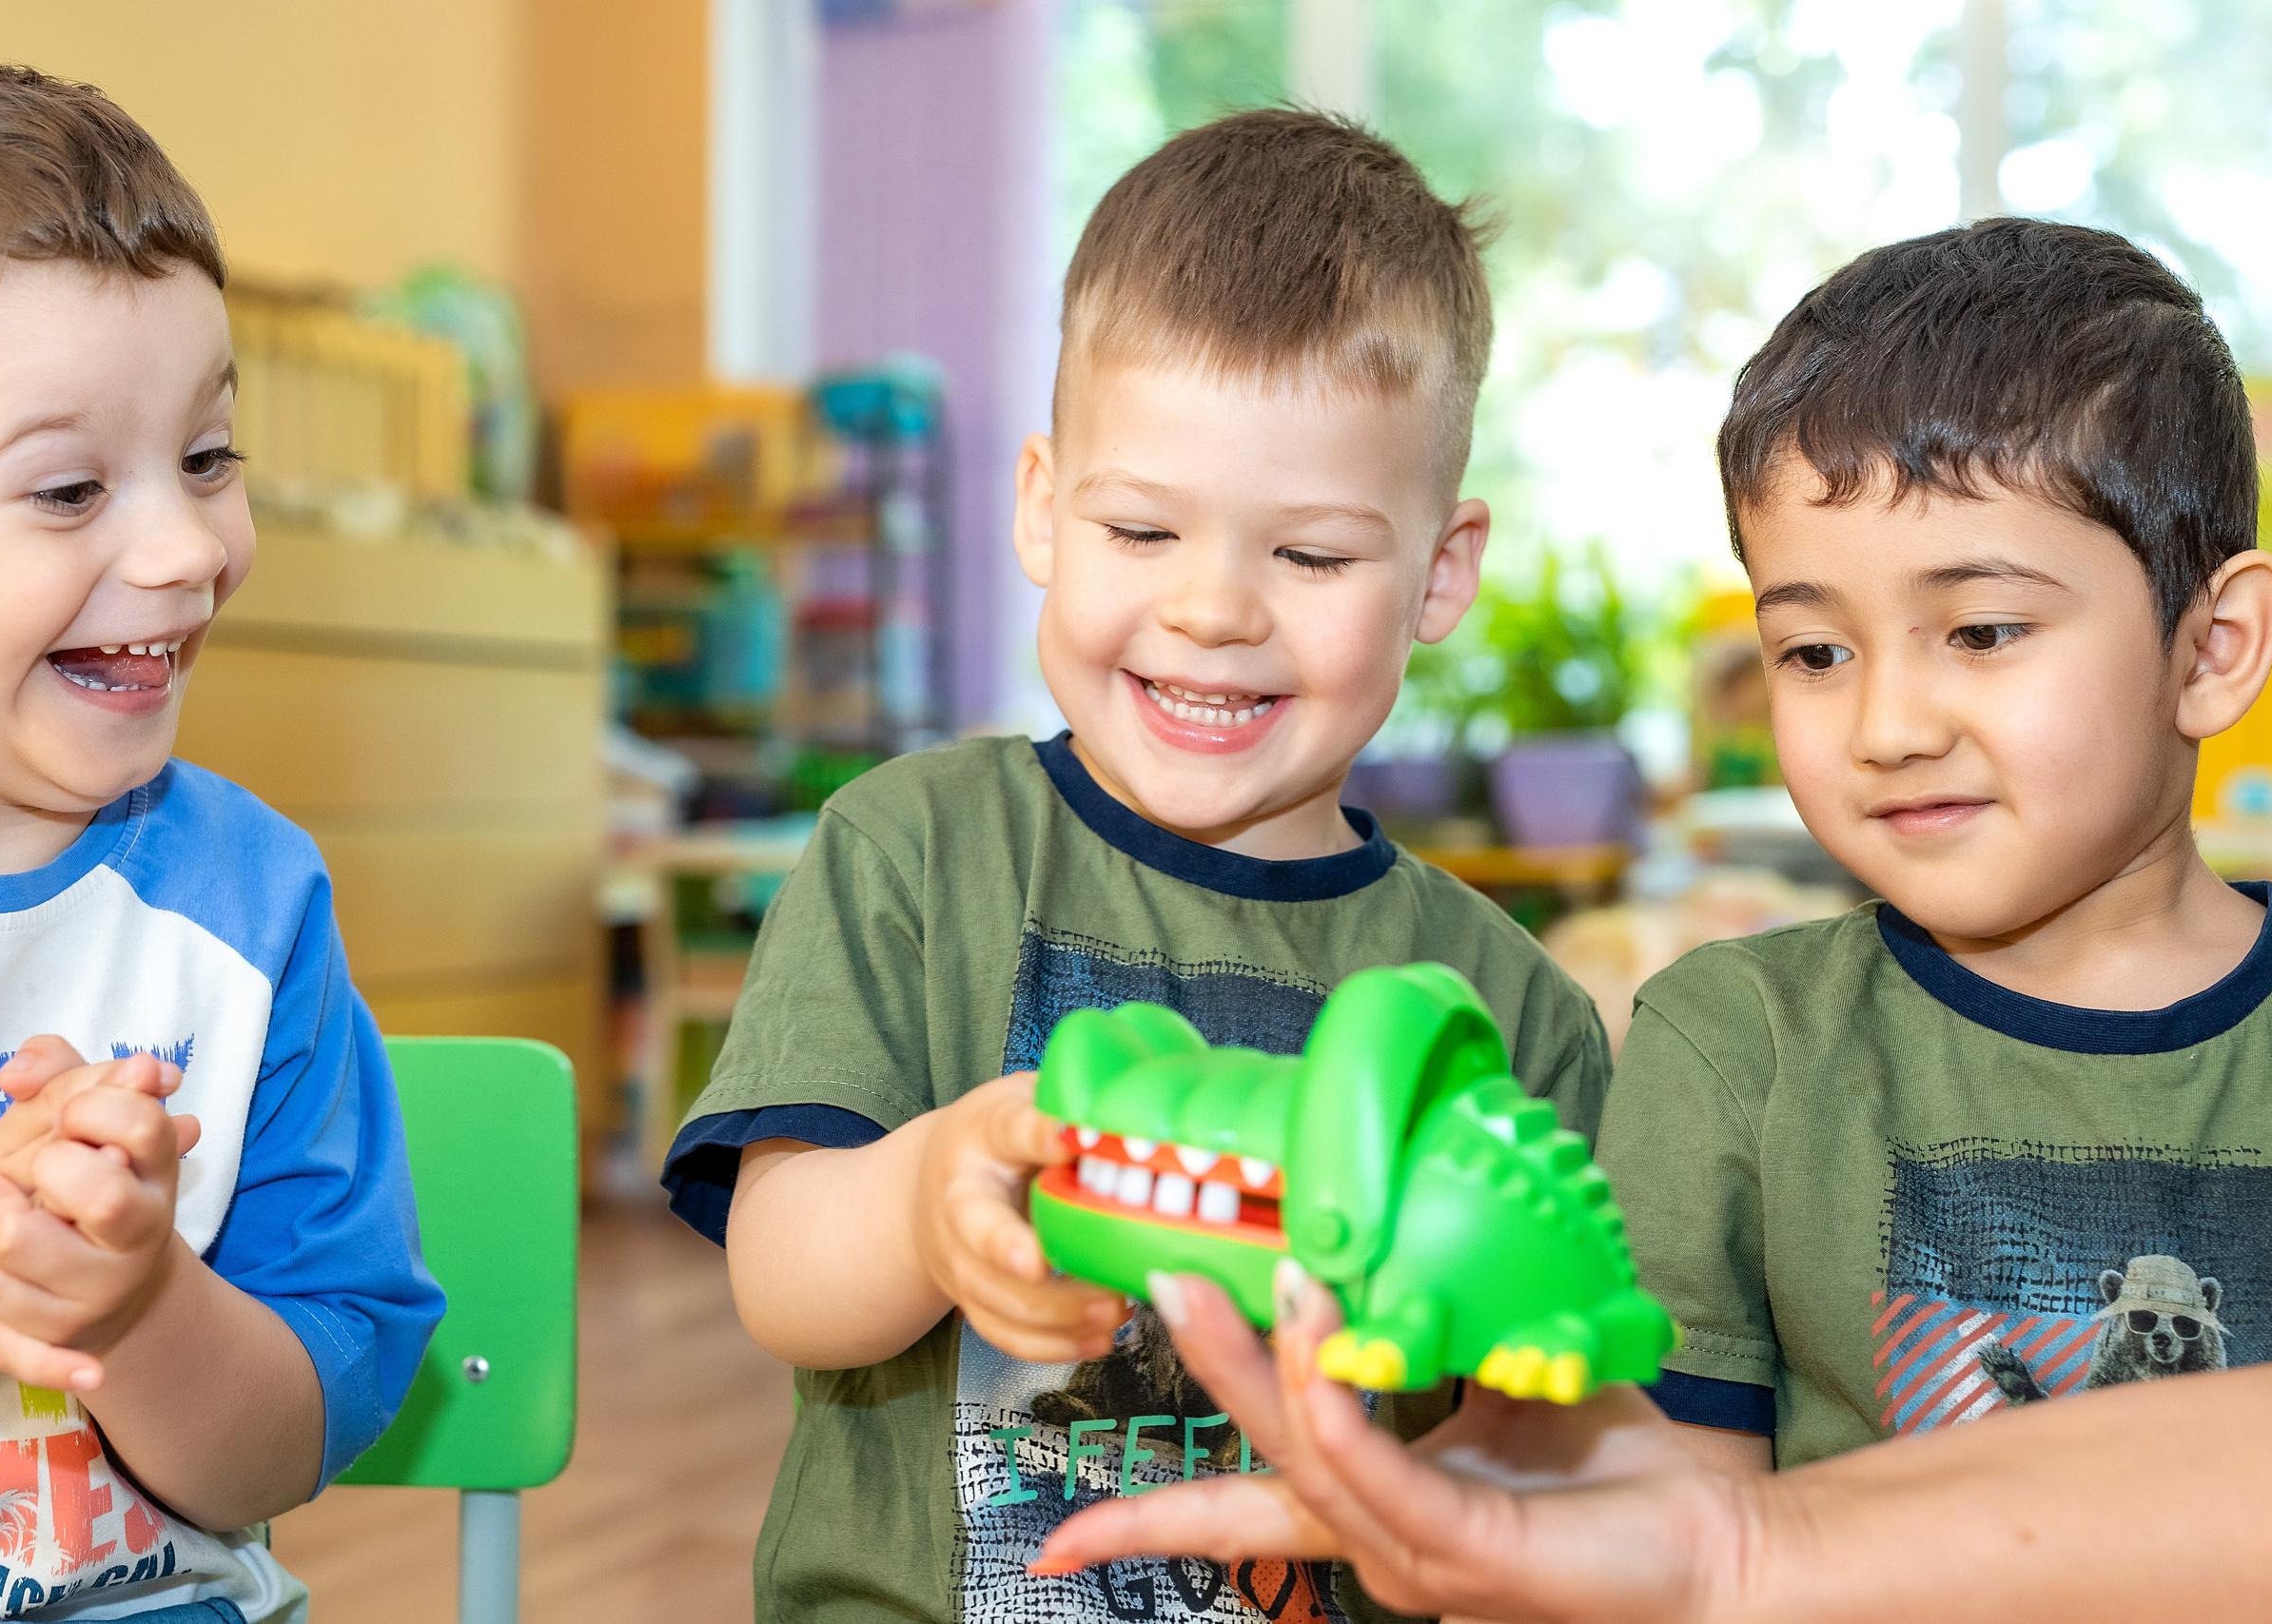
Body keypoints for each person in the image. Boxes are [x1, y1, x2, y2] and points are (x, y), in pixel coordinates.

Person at [1035, 217, 2272, 1617]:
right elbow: (1660, 1523)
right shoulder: (1731, 1043)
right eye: (1813, 651)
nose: (1885, 725)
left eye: (1984, 631)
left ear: (2214, 646)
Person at [660, 109, 1613, 1624]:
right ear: (1045, 506)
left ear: (1440, 572)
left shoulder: (1511, 1012)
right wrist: (926, 1203)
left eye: (1307, 557)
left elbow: (1557, 1437)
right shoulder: (914, 852)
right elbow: (780, 1274)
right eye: (1143, 529)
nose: (1215, 609)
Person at [0, 29, 441, 1622]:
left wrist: (141, 1310)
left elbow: (275, 1456)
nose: (188, 549)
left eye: (207, 456)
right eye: (66, 490)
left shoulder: (248, 910)